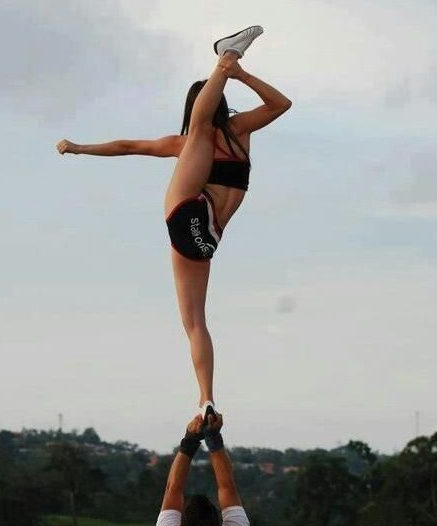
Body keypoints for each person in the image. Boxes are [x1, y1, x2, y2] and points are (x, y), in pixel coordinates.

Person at [56, 26, 292, 422]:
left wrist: (80, 148)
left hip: (187, 214)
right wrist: (242, 77)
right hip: (207, 237)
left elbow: (130, 146)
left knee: (197, 135)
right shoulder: (240, 133)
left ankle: (224, 56)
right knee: (197, 322)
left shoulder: (190, 141)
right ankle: (207, 398)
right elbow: (281, 104)